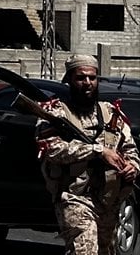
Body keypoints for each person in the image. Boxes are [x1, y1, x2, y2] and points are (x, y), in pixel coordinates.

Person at [36, 54, 139, 255]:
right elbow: (51, 149)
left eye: (92, 78)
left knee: (104, 251)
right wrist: (97, 151)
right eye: (81, 78)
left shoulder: (110, 112)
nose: (87, 83)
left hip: (109, 199)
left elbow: (130, 148)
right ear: (69, 80)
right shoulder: (55, 112)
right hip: (75, 197)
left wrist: (132, 167)